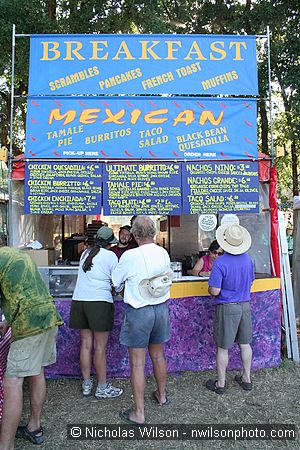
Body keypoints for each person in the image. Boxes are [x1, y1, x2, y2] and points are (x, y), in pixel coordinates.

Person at [0, 247, 63, 449]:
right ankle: (34, 426)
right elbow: (21, 290)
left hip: (29, 323)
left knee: (12, 382)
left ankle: (6, 445)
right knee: (37, 371)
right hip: (48, 315)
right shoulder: (12, 254)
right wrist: (8, 321)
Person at [112, 216, 172, 425]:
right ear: (154, 233)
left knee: (138, 364)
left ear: (135, 236)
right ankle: (162, 395)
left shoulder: (130, 256)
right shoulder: (163, 252)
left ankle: (139, 413)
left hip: (139, 312)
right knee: (158, 356)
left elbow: (115, 282)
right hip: (161, 310)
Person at [69, 226, 123, 400]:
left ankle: (86, 384)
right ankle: (101, 387)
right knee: (100, 347)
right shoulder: (110, 256)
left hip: (79, 301)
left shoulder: (86, 253)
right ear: (109, 243)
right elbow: (117, 283)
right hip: (99, 302)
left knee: (85, 344)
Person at [206, 224, 255, 394]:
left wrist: (210, 289)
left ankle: (221, 383)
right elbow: (250, 282)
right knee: (245, 344)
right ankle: (246, 379)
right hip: (245, 305)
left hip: (227, 307)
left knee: (223, 347)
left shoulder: (220, 262)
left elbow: (215, 290)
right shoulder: (249, 259)